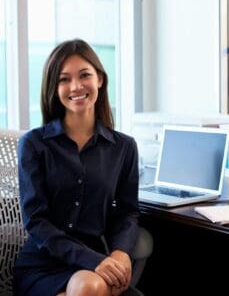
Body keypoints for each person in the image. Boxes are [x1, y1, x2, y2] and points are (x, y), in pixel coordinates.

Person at [13, 39, 140, 296]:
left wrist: (121, 253)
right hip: (44, 265)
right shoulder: (34, 145)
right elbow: (36, 221)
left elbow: (127, 212)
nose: (76, 86)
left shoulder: (124, 147)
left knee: (91, 285)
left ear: (100, 80)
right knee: (90, 286)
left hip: (98, 265)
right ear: (54, 87)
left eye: (85, 75)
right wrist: (97, 262)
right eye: (64, 79)